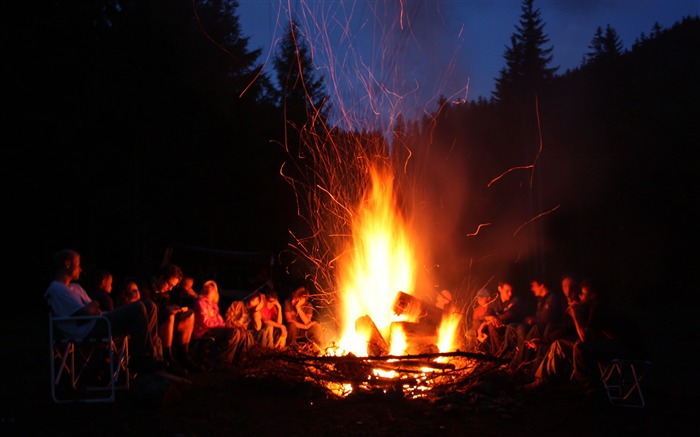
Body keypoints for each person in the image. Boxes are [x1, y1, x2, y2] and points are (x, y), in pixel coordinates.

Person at [44, 249, 166, 375]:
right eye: (78, 264)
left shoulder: (76, 287)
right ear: (68, 264)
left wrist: (93, 307)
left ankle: (151, 356)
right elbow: (85, 314)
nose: (80, 269)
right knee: (138, 308)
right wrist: (93, 305)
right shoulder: (56, 289)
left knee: (150, 306)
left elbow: (93, 309)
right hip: (87, 331)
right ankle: (140, 358)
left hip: (100, 321)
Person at [570, 279, 647, 394]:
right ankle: (587, 386)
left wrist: (575, 313)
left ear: (593, 295)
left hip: (629, 349)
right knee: (580, 345)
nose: (580, 296)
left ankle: (591, 391)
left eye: (583, 293)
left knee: (581, 348)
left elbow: (585, 337)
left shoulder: (599, 308)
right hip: (627, 346)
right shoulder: (601, 306)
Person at [141, 263, 199, 374]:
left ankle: (184, 354)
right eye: (169, 284)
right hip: (150, 323)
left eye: (173, 286)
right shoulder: (145, 288)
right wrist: (167, 310)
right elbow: (146, 310)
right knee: (169, 315)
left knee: (189, 314)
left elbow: (165, 305)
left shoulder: (166, 292)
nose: (170, 288)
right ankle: (167, 357)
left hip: (162, 319)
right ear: (161, 277)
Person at [192, 280, 251, 368]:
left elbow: (220, 322)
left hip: (213, 329)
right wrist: (226, 326)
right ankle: (224, 361)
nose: (210, 290)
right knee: (234, 333)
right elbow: (206, 322)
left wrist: (231, 325)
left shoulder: (213, 306)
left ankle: (239, 359)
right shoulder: (201, 302)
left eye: (213, 288)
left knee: (241, 332)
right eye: (208, 288)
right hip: (204, 331)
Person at [511, 277, 566, 370]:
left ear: (542, 285)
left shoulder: (552, 298)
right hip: (540, 326)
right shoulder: (541, 300)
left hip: (548, 329)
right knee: (516, 327)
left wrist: (533, 320)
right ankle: (516, 361)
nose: (532, 289)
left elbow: (549, 319)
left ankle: (518, 365)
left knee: (532, 329)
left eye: (534, 286)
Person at [483, 280, 525, 357]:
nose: (510, 294)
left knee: (492, 326)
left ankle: (499, 357)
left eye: (511, 291)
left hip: (510, 327)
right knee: (478, 325)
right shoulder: (495, 300)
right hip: (498, 325)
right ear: (500, 289)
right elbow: (486, 315)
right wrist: (490, 317)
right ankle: (482, 353)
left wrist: (489, 321)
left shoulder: (515, 300)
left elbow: (508, 316)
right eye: (507, 291)